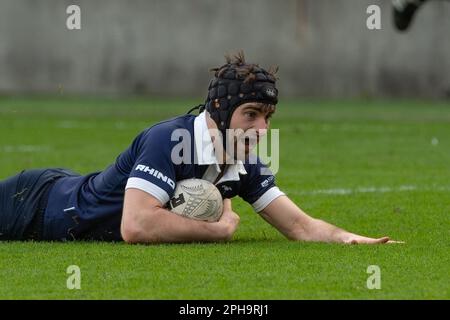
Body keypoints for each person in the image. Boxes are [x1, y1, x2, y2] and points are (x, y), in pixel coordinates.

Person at [0, 52, 402, 244]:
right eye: (251, 114)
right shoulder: (167, 139)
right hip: (36, 204)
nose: (262, 129)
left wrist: (353, 240)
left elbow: (299, 226)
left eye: (268, 117)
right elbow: (136, 226)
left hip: (55, 196)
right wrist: (219, 229)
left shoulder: (245, 162)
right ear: (219, 110)